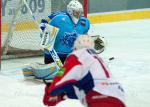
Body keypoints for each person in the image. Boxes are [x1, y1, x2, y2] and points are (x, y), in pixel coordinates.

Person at [43, 35, 126, 107]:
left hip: (99, 99)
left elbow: (61, 76)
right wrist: (63, 95)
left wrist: (50, 91)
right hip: (118, 98)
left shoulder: (76, 55)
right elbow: (85, 87)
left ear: (75, 46)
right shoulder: (97, 59)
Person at [40, 0, 90, 64]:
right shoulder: (58, 17)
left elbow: (84, 37)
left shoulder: (85, 22)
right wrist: (44, 29)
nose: (78, 14)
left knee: (66, 72)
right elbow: (44, 22)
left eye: (80, 12)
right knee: (58, 73)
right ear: (70, 11)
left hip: (71, 56)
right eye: (76, 12)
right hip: (53, 56)